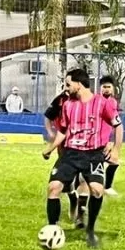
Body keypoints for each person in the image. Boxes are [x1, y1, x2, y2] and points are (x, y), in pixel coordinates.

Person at [41, 69, 123, 249]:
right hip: (70, 153)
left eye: (68, 84)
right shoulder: (68, 105)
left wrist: (116, 150)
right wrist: (50, 148)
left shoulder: (102, 103)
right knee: (53, 187)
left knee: (97, 190)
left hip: (93, 154)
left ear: (79, 84)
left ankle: (90, 231)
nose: (66, 88)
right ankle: (52, 229)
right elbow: (63, 131)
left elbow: (118, 125)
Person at [43, 85, 90, 228]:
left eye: (69, 84)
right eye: (66, 84)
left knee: (83, 180)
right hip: (65, 148)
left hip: (85, 148)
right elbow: (48, 116)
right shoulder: (61, 100)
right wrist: (51, 133)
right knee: (64, 184)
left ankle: (80, 218)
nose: (67, 87)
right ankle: (72, 198)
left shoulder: (90, 100)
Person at [99, 76, 122, 197]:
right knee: (113, 162)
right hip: (97, 140)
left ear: (113, 89)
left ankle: (106, 187)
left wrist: (111, 141)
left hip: (106, 139)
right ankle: (106, 187)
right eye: (104, 87)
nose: (106, 89)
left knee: (113, 162)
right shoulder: (97, 101)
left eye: (108, 87)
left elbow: (115, 123)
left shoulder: (113, 102)